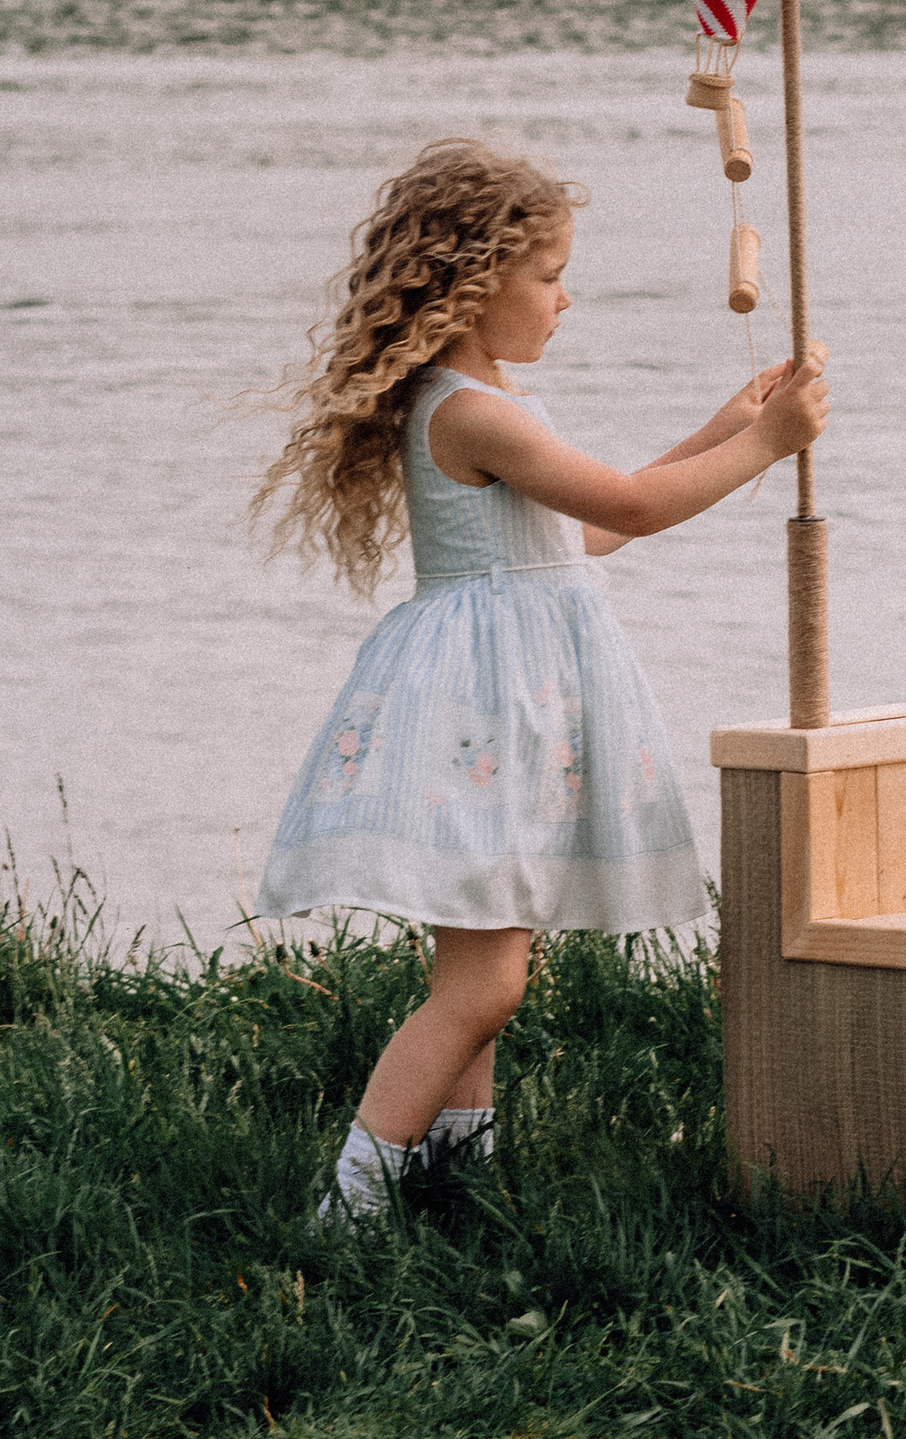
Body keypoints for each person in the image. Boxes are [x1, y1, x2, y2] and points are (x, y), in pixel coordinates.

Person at [252, 136, 828, 1223]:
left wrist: (722, 427)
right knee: (487, 981)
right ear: (476, 283)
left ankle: (450, 1178)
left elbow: (579, 538)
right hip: (481, 709)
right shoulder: (474, 411)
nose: (567, 297)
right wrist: (768, 449)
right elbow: (631, 508)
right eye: (550, 274)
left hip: (500, 708)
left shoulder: (482, 398)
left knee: (481, 975)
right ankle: (353, 1205)